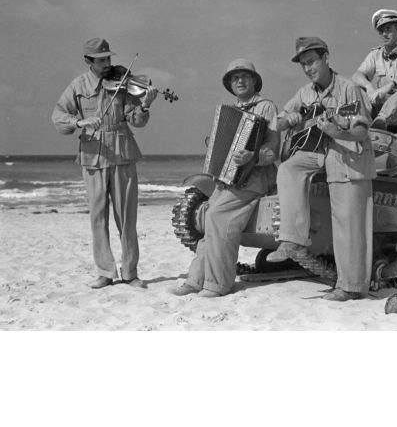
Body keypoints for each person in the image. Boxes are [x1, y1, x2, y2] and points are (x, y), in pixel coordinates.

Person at [267, 37, 375, 302]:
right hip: (314, 153)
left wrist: (336, 130)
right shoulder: (305, 93)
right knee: (288, 170)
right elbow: (278, 122)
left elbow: (361, 130)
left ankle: (350, 287)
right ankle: (293, 238)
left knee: (347, 223)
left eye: (311, 61)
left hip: (345, 156)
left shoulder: (349, 89)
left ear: (326, 57)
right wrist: (288, 120)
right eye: (303, 64)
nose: (308, 68)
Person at [52, 38, 157, 289]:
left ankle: (130, 273)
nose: (108, 64)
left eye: (109, 58)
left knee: (127, 218)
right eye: (102, 60)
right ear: (88, 61)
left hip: (123, 152)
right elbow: (58, 117)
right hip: (92, 156)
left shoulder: (123, 83)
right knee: (98, 217)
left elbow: (137, 121)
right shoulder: (77, 85)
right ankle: (105, 272)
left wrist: (144, 104)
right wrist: (80, 122)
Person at [171, 59, 280, 298]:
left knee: (218, 216)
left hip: (255, 178)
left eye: (245, 76)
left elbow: (273, 149)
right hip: (228, 179)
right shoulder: (229, 111)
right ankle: (196, 279)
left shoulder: (266, 107)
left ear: (254, 80)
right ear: (230, 84)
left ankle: (219, 283)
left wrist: (253, 157)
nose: (240, 81)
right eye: (234, 78)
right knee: (210, 216)